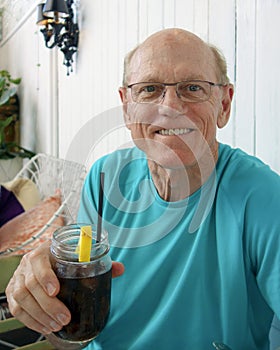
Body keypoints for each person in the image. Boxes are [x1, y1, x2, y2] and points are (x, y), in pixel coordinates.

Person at [5, 28, 280, 350]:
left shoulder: (263, 196)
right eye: (149, 89)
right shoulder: (105, 176)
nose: (171, 106)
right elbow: (75, 337)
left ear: (224, 103)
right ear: (126, 107)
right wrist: (44, 306)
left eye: (193, 88)